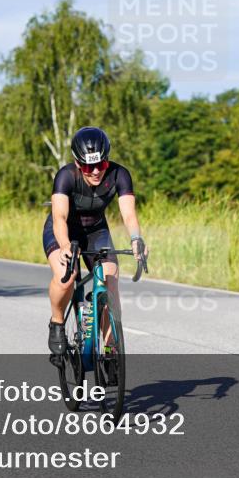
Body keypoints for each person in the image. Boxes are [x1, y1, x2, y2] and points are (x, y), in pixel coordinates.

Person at [44, 127, 148, 354]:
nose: (95, 172)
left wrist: (136, 239)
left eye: (101, 165)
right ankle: (57, 322)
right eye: (89, 167)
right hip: (63, 231)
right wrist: (64, 246)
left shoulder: (120, 175)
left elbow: (129, 215)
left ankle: (111, 349)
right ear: (77, 162)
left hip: (95, 232)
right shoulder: (66, 176)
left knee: (110, 281)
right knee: (66, 277)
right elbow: (59, 218)